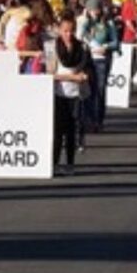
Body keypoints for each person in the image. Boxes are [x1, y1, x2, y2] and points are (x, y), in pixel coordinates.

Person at [47, 13, 91, 175]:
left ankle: (70, 163)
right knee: (58, 131)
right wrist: (71, 77)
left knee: (72, 130)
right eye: (65, 31)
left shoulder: (83, 47)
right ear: (59, 30)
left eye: (71, 31)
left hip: (76, 94)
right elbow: (49, 74)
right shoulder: (52, 47)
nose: (68, 34)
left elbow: (88, 67)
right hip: (58, 93)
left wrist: (86, 75)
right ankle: (55, 162)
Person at [76, 0, 120, 134]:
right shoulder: (86, 23)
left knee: (100, 91)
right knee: (88, 91)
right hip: (88, 59)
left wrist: (105, 47)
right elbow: (79, 37)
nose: (95, 12)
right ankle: (88, 120)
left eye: (97, 9)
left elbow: (116, 42)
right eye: (91, 9)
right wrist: (85, 23)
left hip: (102, 60)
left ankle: (98, 120)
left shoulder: (108, 23)